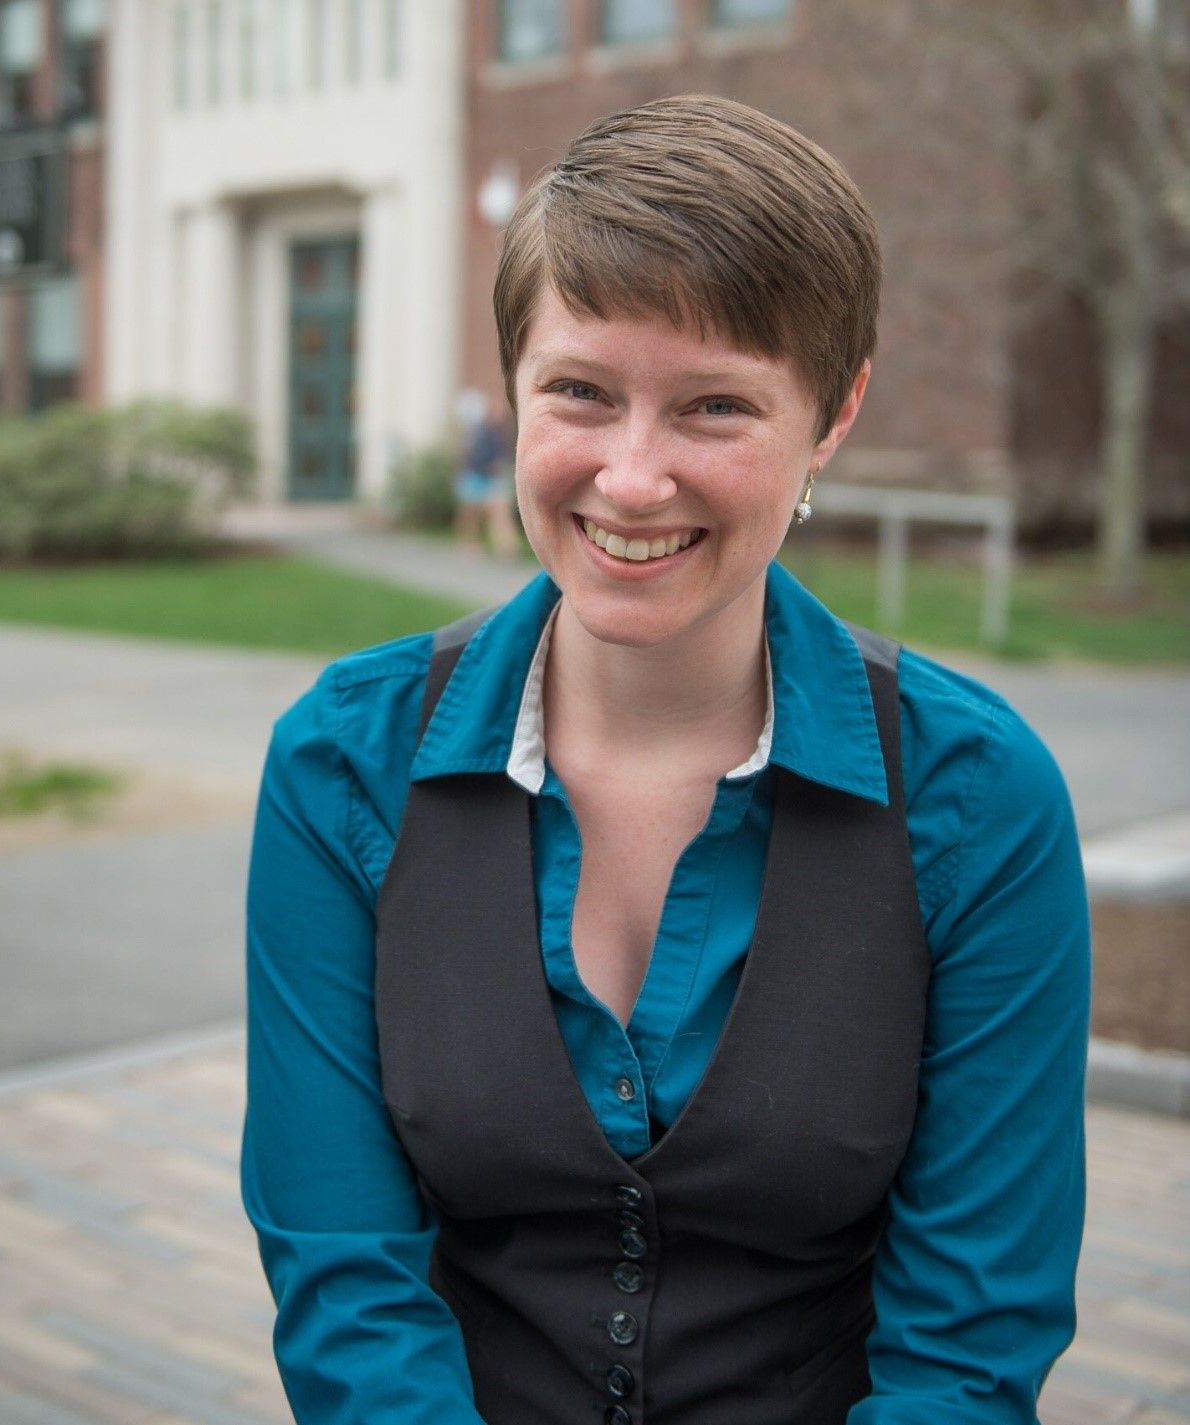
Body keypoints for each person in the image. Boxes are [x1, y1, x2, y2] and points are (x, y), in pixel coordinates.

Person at [242, 95, 1090, 1424]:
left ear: (833, 416)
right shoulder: (341, 768)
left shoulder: (980, 802)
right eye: (580, 391)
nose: (632, 480)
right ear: (511, 385)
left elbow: (968, 1348)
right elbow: (346, 1284)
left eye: (715, 406)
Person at [453, 387, 518, 559]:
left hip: (494, 479)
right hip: (475, 476)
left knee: (500, 512)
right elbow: (472, 455)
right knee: (471, 514)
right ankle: (468, 545)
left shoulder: (502, 432)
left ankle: (505, 547)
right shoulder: (479, 430)